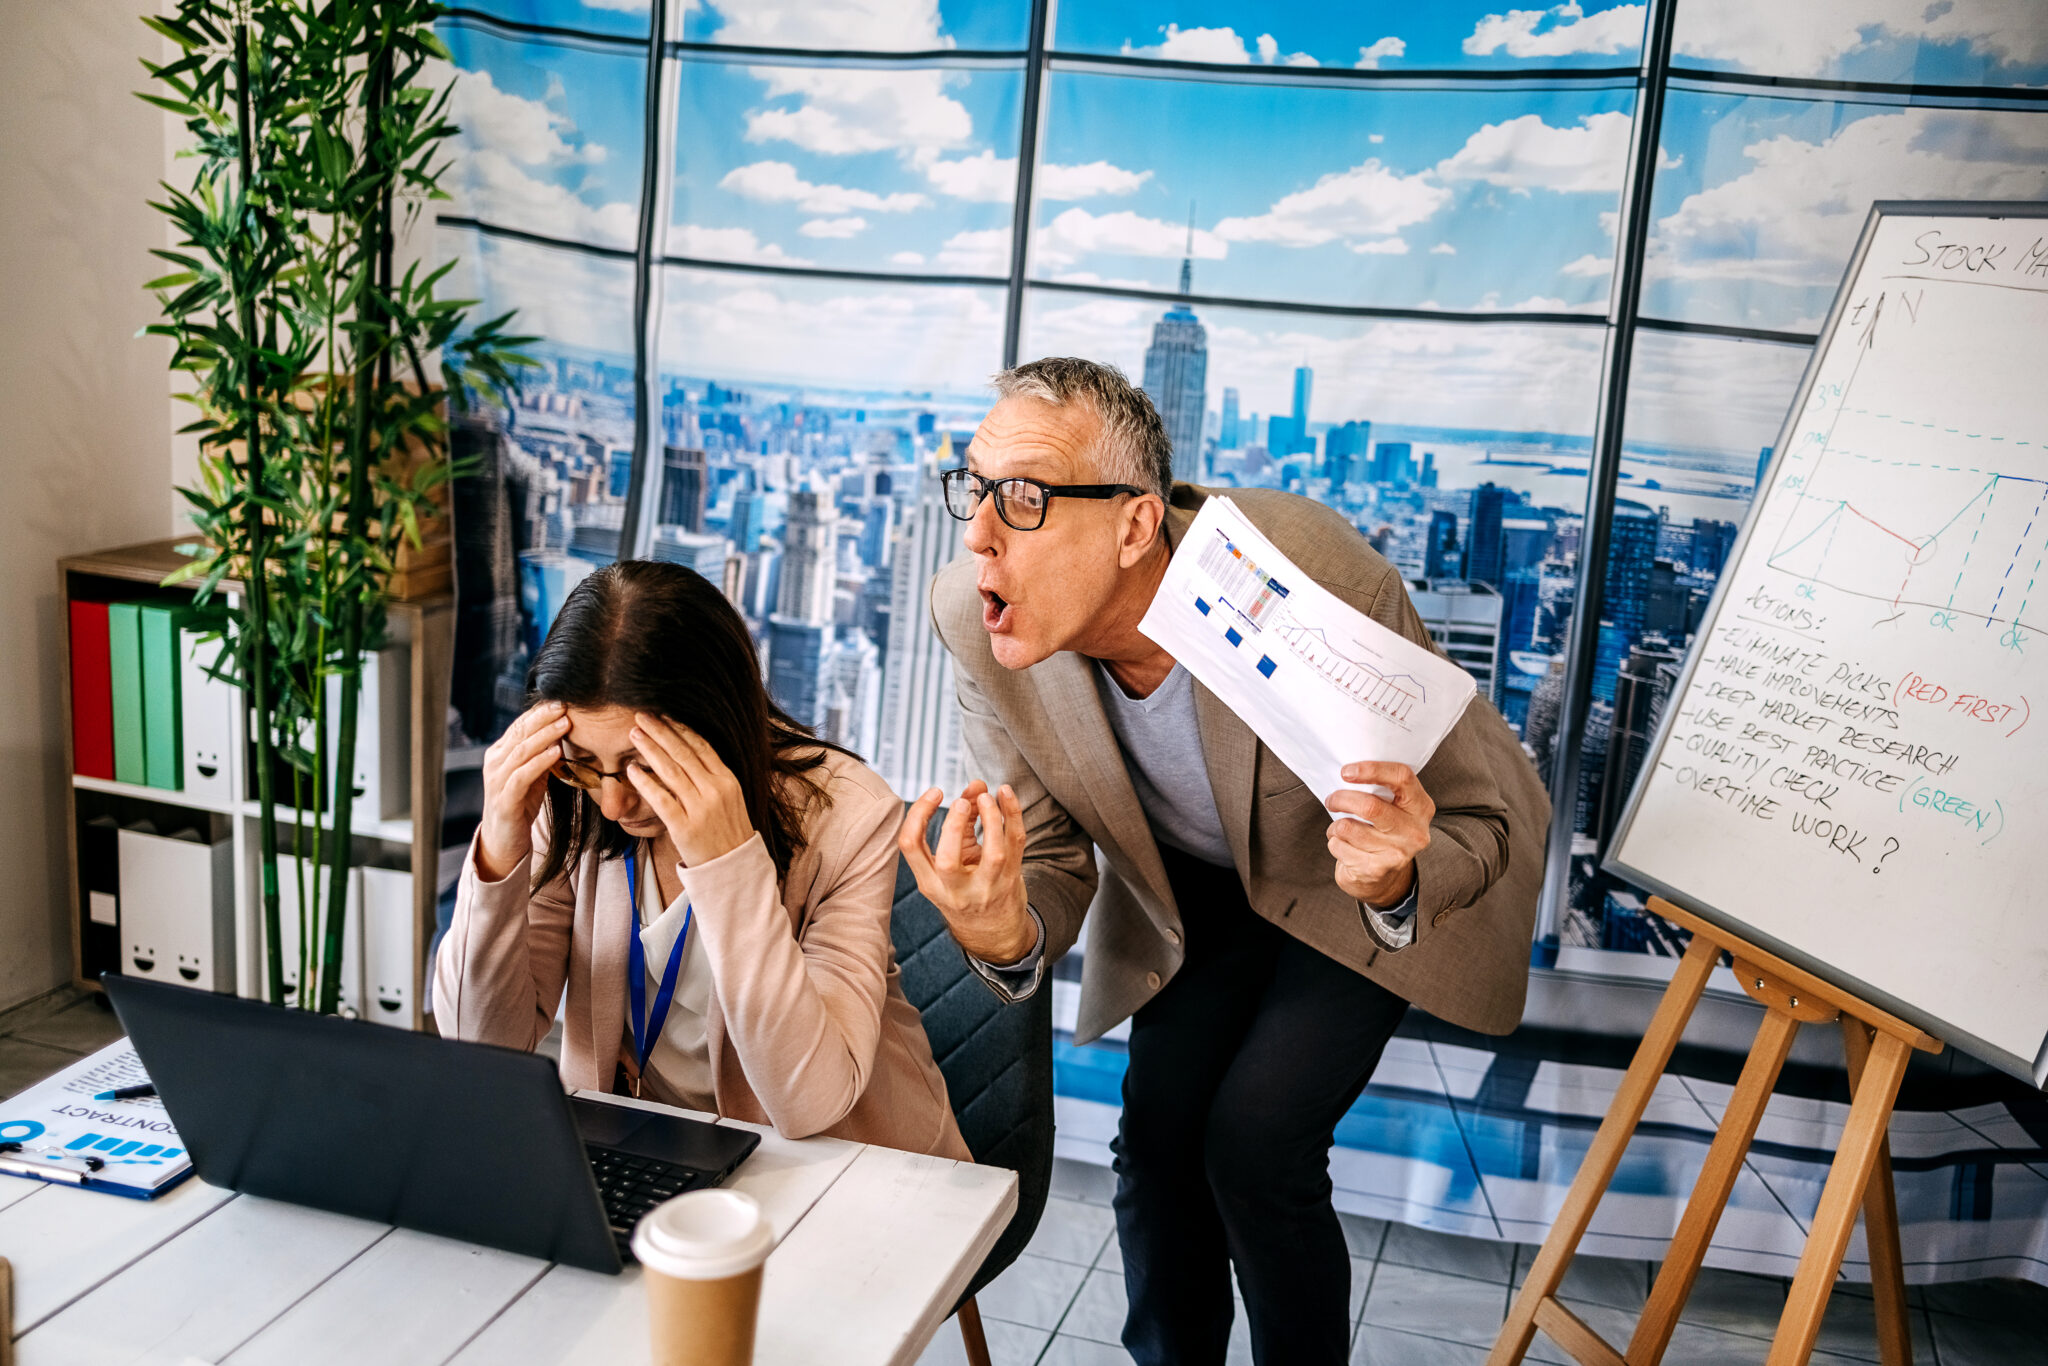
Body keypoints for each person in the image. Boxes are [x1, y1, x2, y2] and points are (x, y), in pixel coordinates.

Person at [898, 357, 1551, 1364]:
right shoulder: (977, 620)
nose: (978, 532)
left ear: (1132, 525)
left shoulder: (1305, 576)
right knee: (1157, 1143)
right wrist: (1005, 932)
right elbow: (1054, 860)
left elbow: (1471, 812)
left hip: (1348, 881)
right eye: (974, 489)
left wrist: (1395, 873)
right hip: (1195, 888)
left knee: (1252, 1145)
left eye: (1022, 499)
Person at [436, 559, 967, 1161]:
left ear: (715, 723)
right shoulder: (571, 798)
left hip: (852, 1170)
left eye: (643, 763)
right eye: (584, 760)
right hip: (663, 1155)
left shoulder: (850, 814)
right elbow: (478, 1042)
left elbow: (809, 1102)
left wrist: (728, 861)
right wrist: (499, 847)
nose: (612, 803)